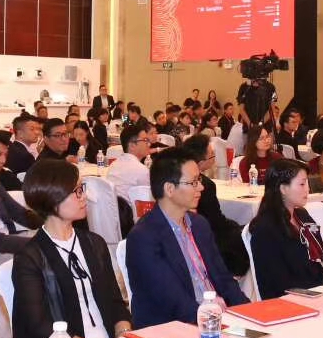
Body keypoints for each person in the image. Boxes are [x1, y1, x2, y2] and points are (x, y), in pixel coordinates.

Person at [12, 160, 132, 338]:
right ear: (52, 199)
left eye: (82, 188)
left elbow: (115, 301)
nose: (84, 196)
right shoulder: (30, 257)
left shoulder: (94, 243)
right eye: (76, 191)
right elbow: (40, 326)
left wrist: (123, 335)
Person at [124, 146, 248, 326]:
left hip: (213, 319)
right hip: (175, 327)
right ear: (169, 189)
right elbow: (172, 300)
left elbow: (223, 278)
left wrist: (248, 312)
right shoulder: (144, 237)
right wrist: (213, 321)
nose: (201, 187)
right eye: (194, 182)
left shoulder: (199, 225)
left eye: (199, 180)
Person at [249, 159, 323, 298]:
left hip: (318, 291)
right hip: (292, 299)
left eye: (307, 183)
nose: (307, 189)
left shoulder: (302, 216)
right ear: (283, 189)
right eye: (302, 184)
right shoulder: (266, 228)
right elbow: (277, 283)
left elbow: (322, 258)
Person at [180, 134, 250, 276]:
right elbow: (216, 221)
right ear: (200, 163)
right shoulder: (205, 185)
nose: (214, 158)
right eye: (212, 155)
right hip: (209, 237)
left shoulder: (180, 177)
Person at [105, 120, 153, 203]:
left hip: (112, 209)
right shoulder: (141, 170)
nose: (149, 144)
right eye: (145, 140)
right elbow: (149, 200)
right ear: (132, 145)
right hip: (131, 210)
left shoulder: (114, 164)